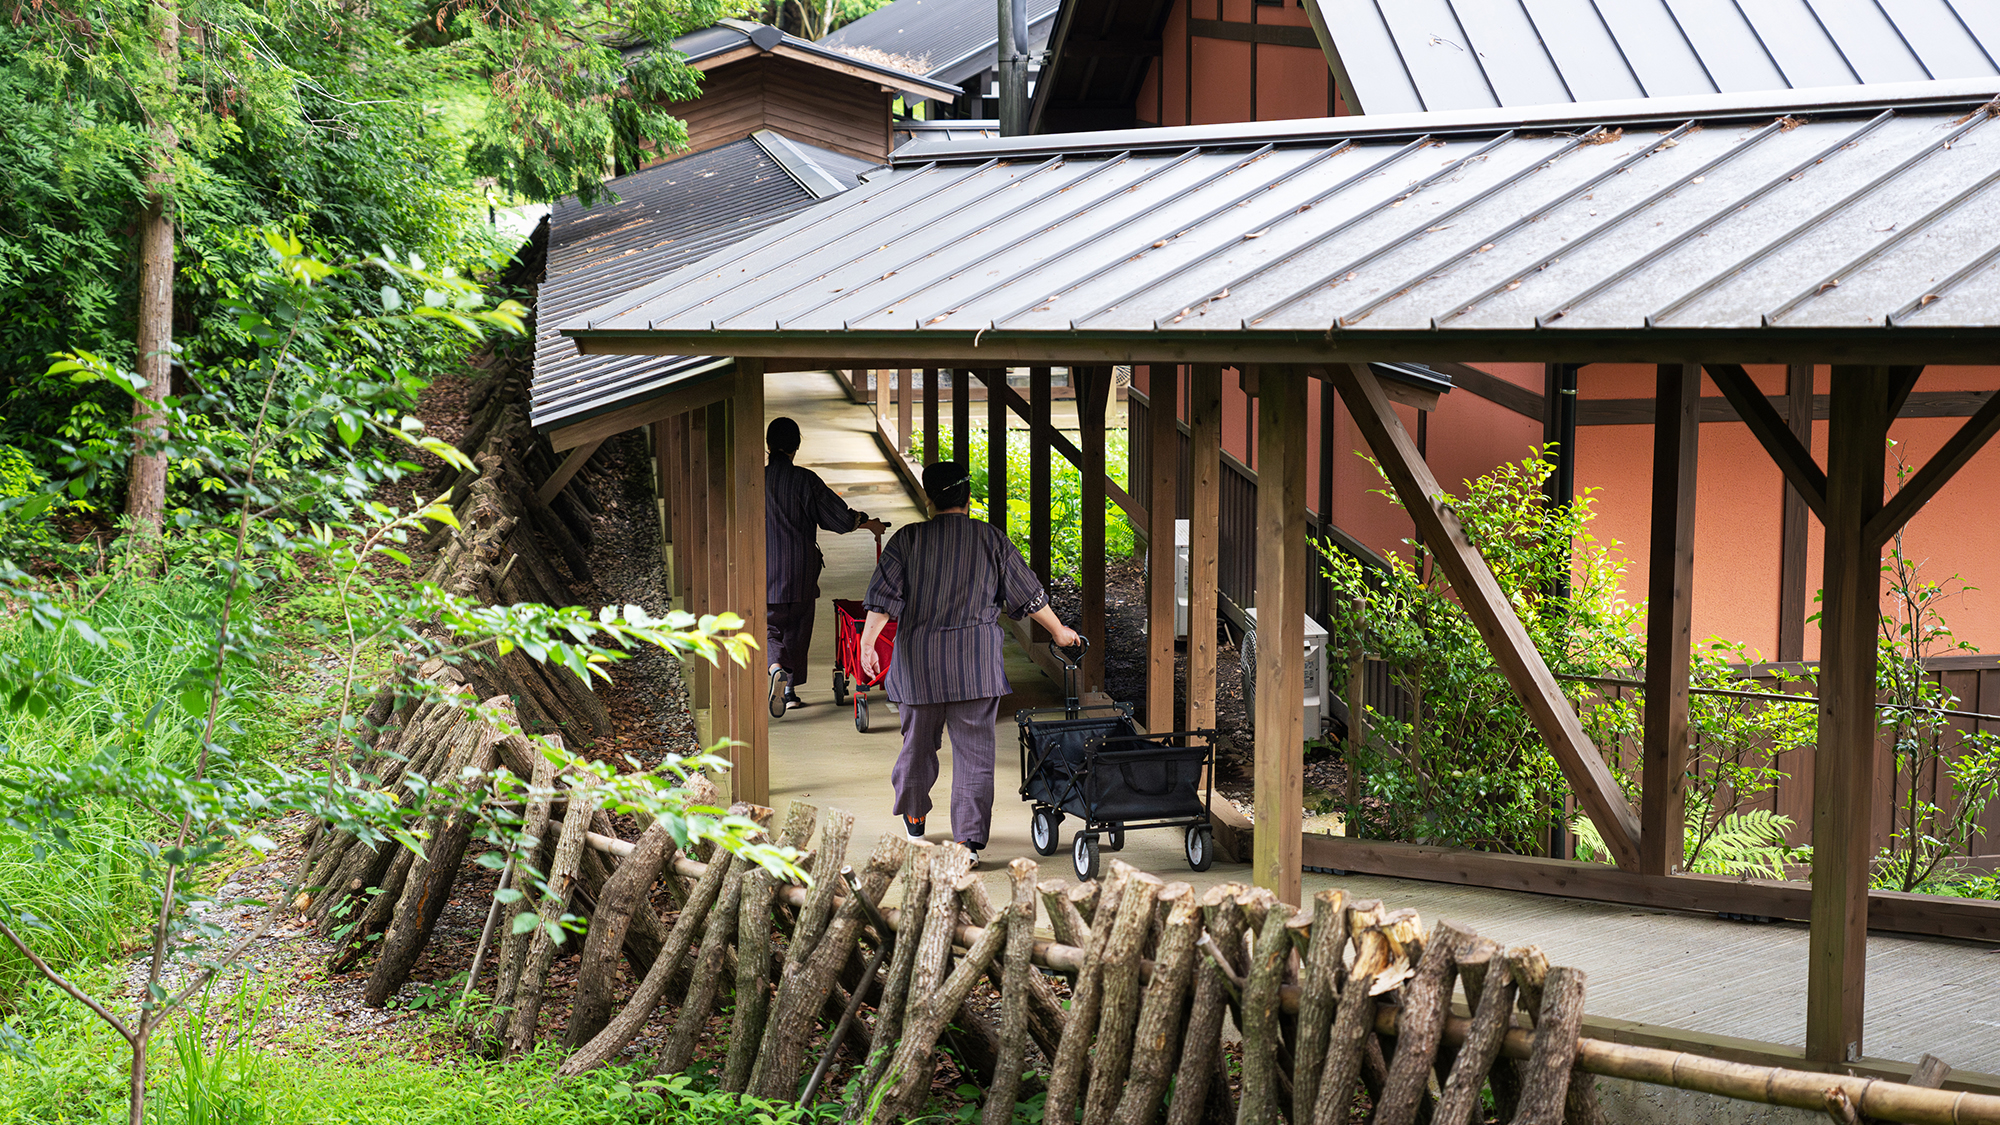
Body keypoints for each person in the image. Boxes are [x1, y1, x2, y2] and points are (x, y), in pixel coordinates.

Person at [859, 460, 1079, 866]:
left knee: (917, 747)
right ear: (968, 498)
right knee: (975, 756)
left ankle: (914, 812)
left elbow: (882, 599)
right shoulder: (991, 540)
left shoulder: (907, 541)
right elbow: (1028, 597)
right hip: (975, 669)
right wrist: (1060, 630)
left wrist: (867, 643)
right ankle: (968, 844)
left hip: (918, 668)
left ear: (929, 498)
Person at [766, 416, 887, 714]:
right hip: (801, 569)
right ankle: (791, 692)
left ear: (768, 446)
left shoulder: (755, 479)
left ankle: (775, 669)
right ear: (795, 446)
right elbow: (840, 519)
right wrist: (867, 522)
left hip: (765, 568)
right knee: (797, 624)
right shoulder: (806, 480)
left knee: (767, 625)